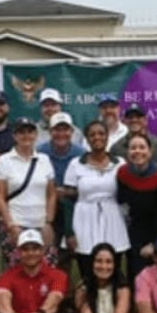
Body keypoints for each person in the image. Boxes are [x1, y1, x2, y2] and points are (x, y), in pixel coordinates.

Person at [63, 120, 129, 279]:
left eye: (101, 133)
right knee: (87, 268)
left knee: (113, 267)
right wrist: (69, 232)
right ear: (86, 138)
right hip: (84, 219)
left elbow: (126, 193)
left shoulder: (120, 163)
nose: (97, 137)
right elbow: (68, 200)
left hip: (113, 218)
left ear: (107, 137)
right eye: (92, 135)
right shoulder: (75, 164)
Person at [0, 117, 56, 268]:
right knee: (16, 270)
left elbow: (51, 194)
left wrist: (48, 222)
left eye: (30, 131)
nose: (26, 136)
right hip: (15, 224)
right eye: (21, 132)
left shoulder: (44, 160)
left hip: (40, 224)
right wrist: (10, 225)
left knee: (45, 269)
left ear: (36, 135)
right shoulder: (4, 160)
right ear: (14, 136)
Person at [116, 132, 157, 283]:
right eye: (133, 148)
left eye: (142, 147)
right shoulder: (123, 174)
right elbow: (122, 202)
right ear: (128, 152)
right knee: (135, 275)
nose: (137, 151)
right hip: (134, 231)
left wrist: (154, 243)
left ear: (150, 151)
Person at [38, 112, 85, 274]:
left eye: (65, 129)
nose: (61, 134)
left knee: (74, 254)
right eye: (57, 130)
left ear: (71, 132)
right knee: (50, 255)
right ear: (50, 131)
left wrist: (68, 191)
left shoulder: (81, 154)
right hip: (47, 211)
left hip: (74, 210)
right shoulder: (40, 153)